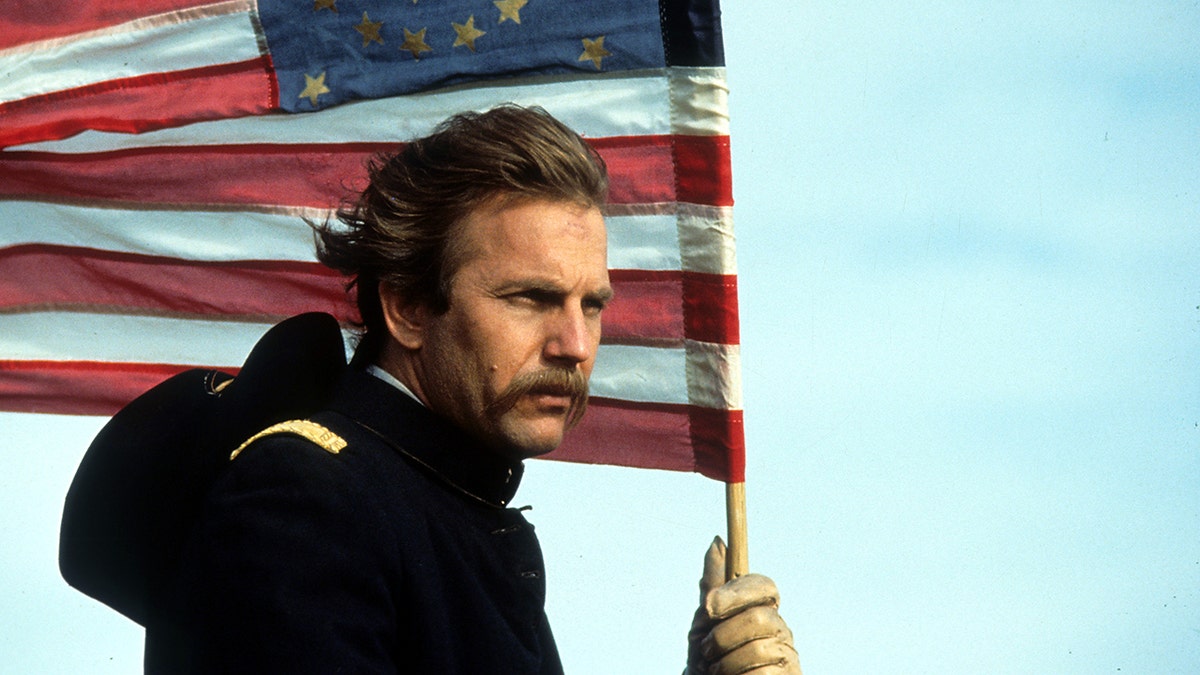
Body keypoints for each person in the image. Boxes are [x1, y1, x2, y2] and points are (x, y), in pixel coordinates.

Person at [143, 105, 801, 673]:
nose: (574, 344)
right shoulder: (304, 499)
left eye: (591, 305)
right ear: (406, 308)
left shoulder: (450, 510)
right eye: (531, 298)